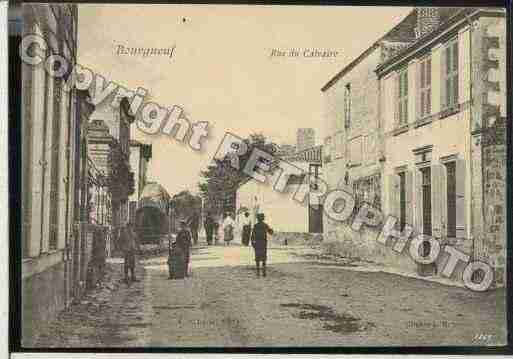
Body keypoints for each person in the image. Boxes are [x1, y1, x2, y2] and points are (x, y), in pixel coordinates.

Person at [251, 213, 274, 277]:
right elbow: (271, 232)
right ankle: (264, 272)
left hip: (257, 243)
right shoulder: (265, 225)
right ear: (263, 218)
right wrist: (271, 230)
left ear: (257, 219)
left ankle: (258, 272)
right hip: (263, 243)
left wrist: (252, 242)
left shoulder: (255, 225)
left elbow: (253, 235)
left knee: (257, 257)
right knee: (264, 257)